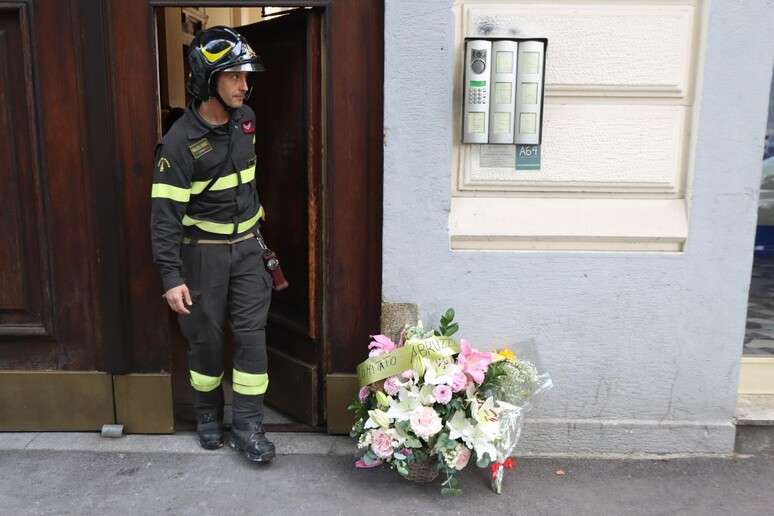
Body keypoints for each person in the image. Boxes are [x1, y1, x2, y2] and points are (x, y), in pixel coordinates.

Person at [150, 26, 275, 463]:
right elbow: (163, 217)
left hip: (247, 251)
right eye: (235, 76)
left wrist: (254, 219)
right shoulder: (180, 142)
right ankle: (207, 415)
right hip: (201, 254)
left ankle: (248, 426)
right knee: (205, 339)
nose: (245, 85)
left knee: (251, 338)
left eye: (246, 76)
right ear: (208, 79)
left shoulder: (248, 120)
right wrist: (171, 276)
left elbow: (247, 178)